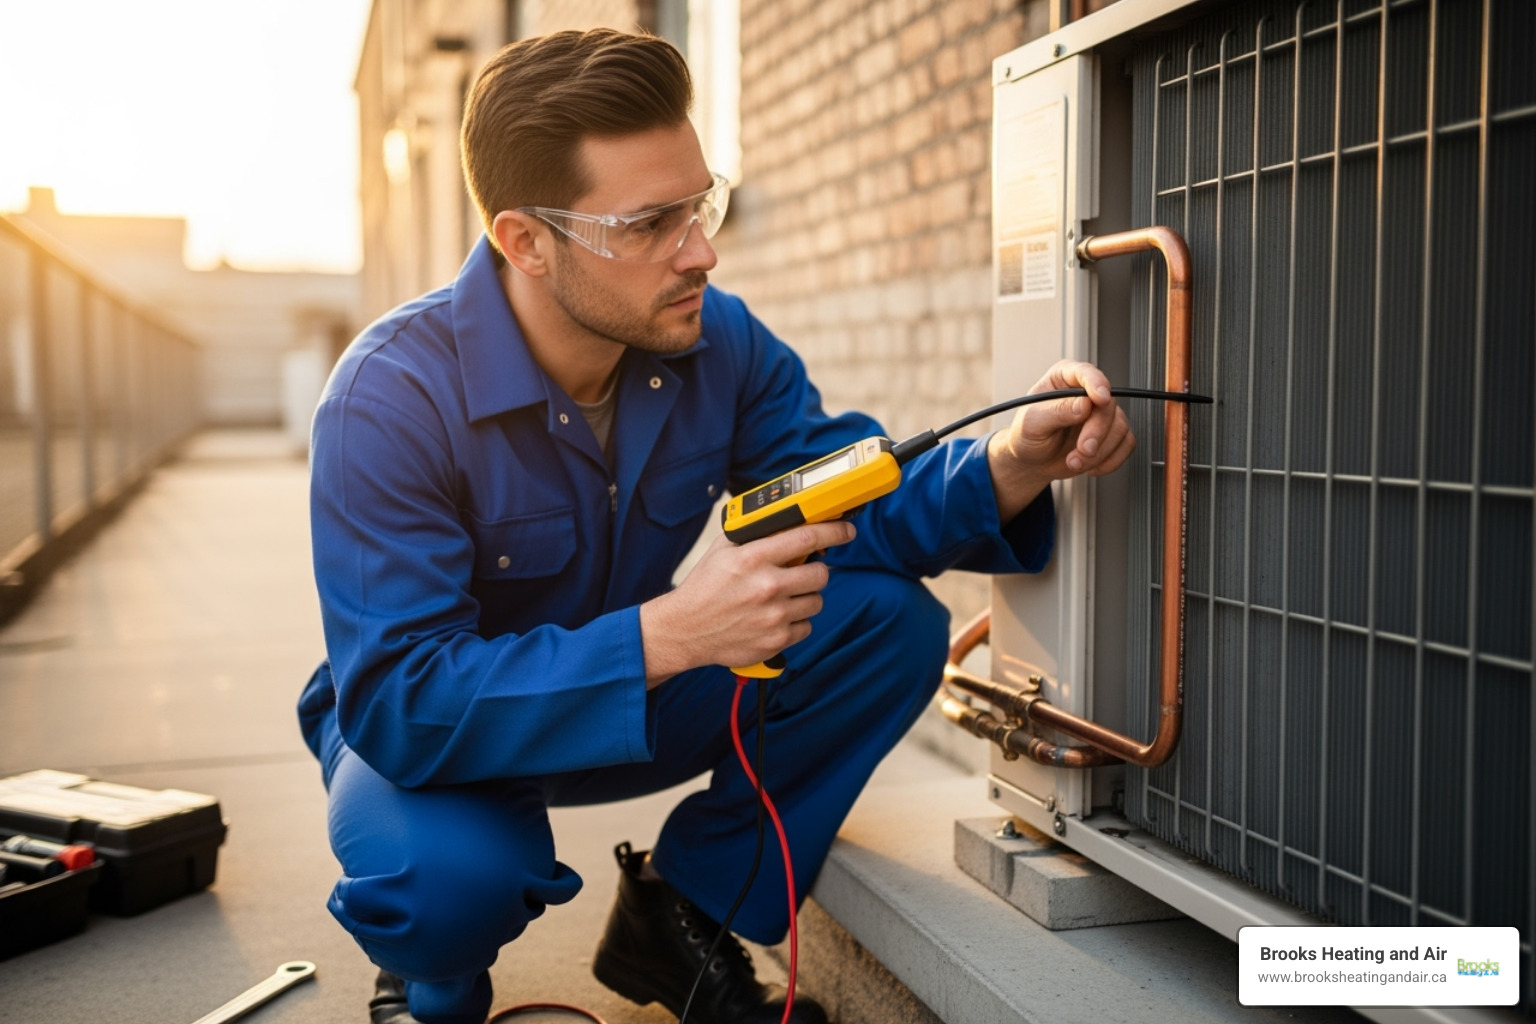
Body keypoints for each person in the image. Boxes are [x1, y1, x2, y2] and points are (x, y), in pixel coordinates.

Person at [298, 27, 1134, 1024]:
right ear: (525, 239)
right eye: (651, 222)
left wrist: (1012, 459)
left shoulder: (715, 343)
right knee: (444, 883)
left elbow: (854, 501)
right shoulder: (388, 400)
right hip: (441, 733)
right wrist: (673, 633)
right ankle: (431, 980)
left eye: (699, 203)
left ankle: (682, 913)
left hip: (630, 693)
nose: (701, 249)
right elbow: (401, 698)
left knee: (884, 625)